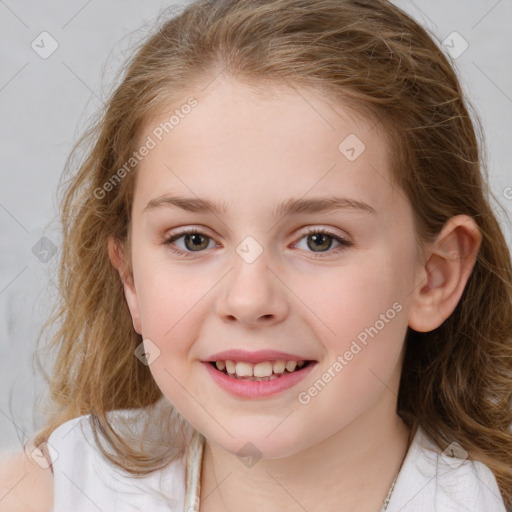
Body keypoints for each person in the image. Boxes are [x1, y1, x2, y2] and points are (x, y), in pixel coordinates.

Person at [1, 0, 511, 510]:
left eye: (319, 240)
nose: (248, 300)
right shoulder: (34, 495)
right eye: (193, 240)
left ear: (433, 277)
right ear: (130, 278)